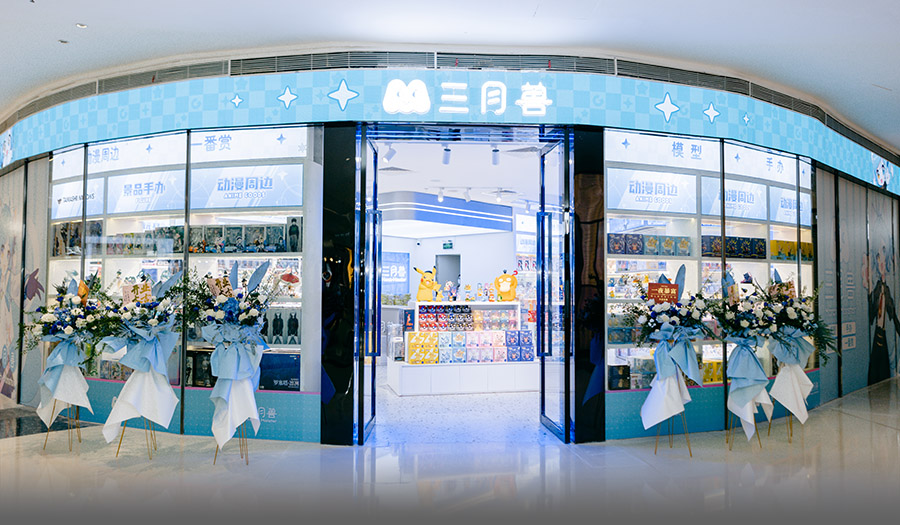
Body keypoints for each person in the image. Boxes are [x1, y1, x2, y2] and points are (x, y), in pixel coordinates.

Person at [864, 249, 899, 384]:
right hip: (876, 333)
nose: (882, 265)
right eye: (879, 262)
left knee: (884, 366)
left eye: (884, 261)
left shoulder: (888, 289)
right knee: (875, 364)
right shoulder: (876, 288)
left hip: (884, 333)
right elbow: (871, 314)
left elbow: (893, 313)